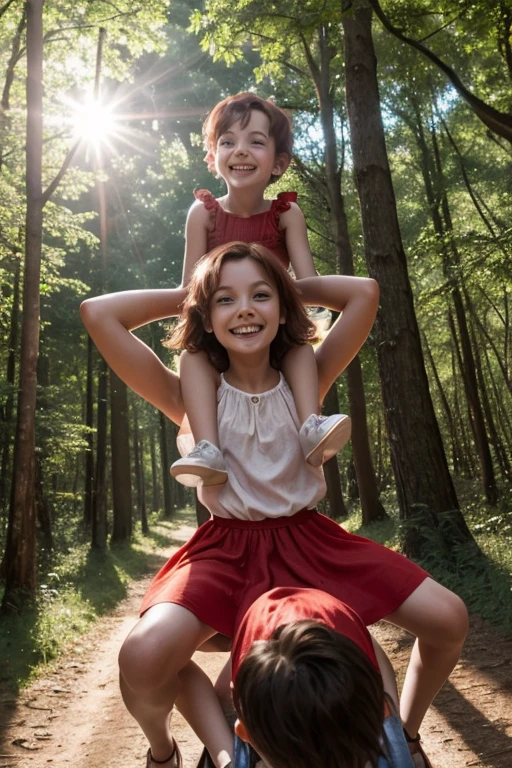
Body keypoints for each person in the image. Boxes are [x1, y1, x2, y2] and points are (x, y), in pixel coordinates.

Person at [80, 242, 467, 768]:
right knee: (143, 655)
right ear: (205, 314)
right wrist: (186, 295)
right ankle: (173, 751)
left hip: (311, 540)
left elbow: (364, 294)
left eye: (260, 295)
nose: (244, 309)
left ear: (282, 308)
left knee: (448, 618)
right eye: (225, 300)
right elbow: (98, 313)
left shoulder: (306, 378)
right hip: (227, 550)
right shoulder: (193, 399)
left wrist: (286, 287)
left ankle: (407, 735)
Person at [171, 92, 350, 487]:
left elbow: (306, 286)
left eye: (255, 141)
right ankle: (208, 449)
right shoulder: (203, 213)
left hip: (270, 328)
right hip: (219, 328)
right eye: (228, 141)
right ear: (212, 158)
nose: (240, 151)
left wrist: (283, 303)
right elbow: (188, 291)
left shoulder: (285, 214)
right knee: (191, 358)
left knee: (300, 346)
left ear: (279, 162)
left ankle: (310, 426)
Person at [230, 586, 418, 768]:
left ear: (381, 711)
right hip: (268, 633)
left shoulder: (361, 672)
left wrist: (395, 725)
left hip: (343, 630)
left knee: (395, 752)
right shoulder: (247, 685)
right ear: (245, 733)